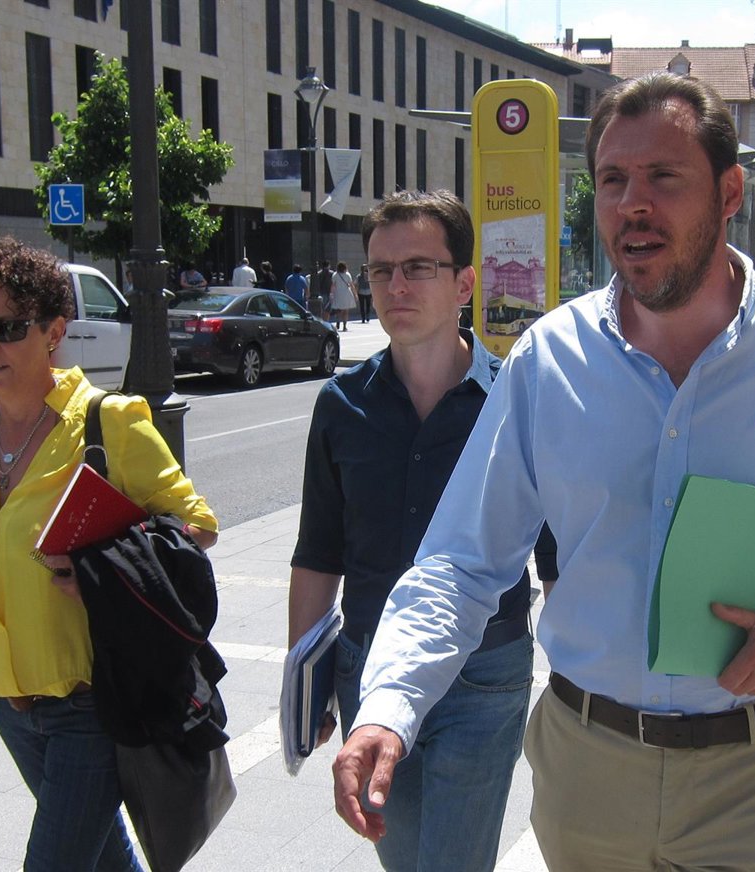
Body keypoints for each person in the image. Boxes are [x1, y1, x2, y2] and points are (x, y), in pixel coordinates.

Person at [333, 73, 755, 871]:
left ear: (728, 193)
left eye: (663, 176)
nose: (632, 203)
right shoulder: (549, 359)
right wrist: (391, 702)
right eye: (613, 180)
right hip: (591, 772)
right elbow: (462, 561)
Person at [0, 237, 220, 872]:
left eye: (9, 328)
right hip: (5, 699)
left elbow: (197, 525)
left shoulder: (108, 421)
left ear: (54, 331)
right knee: (104, 860)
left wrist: (106, 567)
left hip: (91, 697)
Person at [290, 190, 553, 872]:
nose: (395, 286)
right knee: (403, 857)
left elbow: (556, 557)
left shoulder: (511, 401)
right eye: (381, 270)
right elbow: (318, 553)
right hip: (369, 668)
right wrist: (303, 679)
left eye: (417, 267)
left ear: (464, 284)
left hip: (484, 672)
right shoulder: (342, 404)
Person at [329, 261, 357, 331]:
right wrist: (355, 294)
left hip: (338, 293)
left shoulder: (335, 274)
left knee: (338, 310)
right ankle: (344, 326)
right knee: (346, 311)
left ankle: (337, 323)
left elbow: (333, 285)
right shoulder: (347, 274)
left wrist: (331, 294)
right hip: (346, 294)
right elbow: (351, 285)